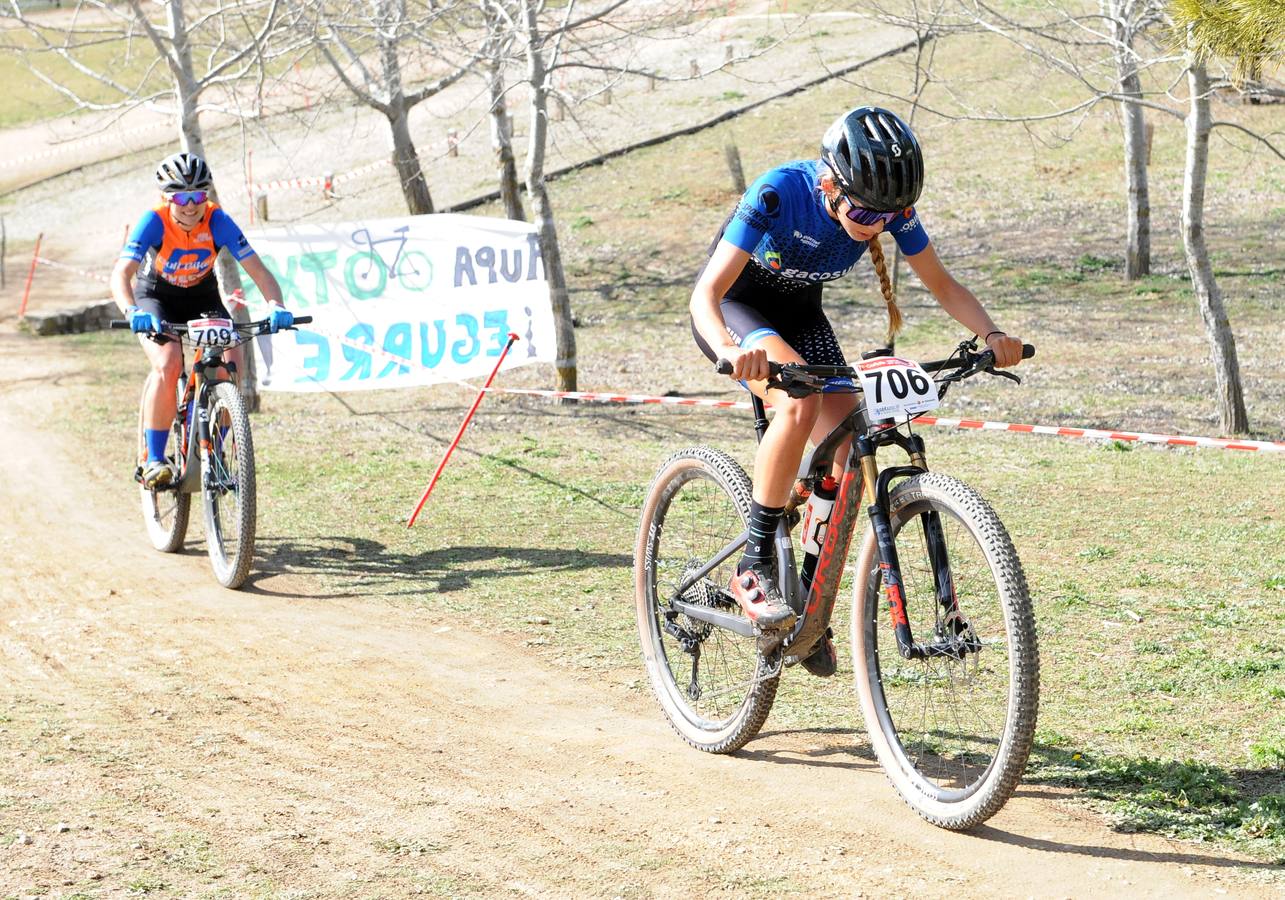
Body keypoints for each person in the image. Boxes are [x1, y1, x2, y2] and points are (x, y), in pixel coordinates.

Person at [690, 106, 1025, 673]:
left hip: (799, 317)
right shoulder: (778, 192)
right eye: (866, 211)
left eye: (888, 215)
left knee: (851, 445)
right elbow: (707, 293)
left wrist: (989, 333)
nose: (876, 224)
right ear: (828, 184)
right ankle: (753, 565)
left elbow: (942, 283)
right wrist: (729, 349)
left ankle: (805, 602)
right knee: (800, 405)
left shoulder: (890, 211)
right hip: (738, 313)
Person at [111, 151, 293, 489]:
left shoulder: (218, 221)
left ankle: (215, 448)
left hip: (202, 297)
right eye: (181, 197)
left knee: (231, 362)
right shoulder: (153, 221)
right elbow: (120, 275)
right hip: (156, 299)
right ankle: (153, 459)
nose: (191, 205)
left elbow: (260, 272)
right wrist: (131, 311)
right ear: (167, 198)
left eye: (198, 195)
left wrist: (276, 305)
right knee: (168, 362)